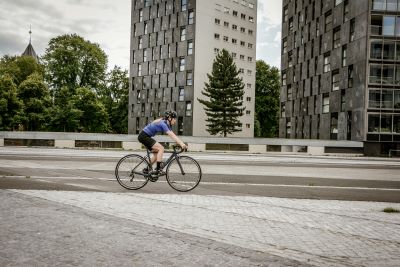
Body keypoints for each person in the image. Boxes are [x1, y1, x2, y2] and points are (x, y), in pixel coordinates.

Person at [138, 110, 188, 176]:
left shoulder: (165, 123)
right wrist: (182, 144)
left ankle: (146, 170)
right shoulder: (163, 124)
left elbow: (173, 134)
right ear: (170, 118)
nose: (175, 120)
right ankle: (158, 169)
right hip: (144, 136)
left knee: (156, 155)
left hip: (145, 136)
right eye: (174, 118)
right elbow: (172, 135)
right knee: (161, 148)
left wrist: (181, 143)